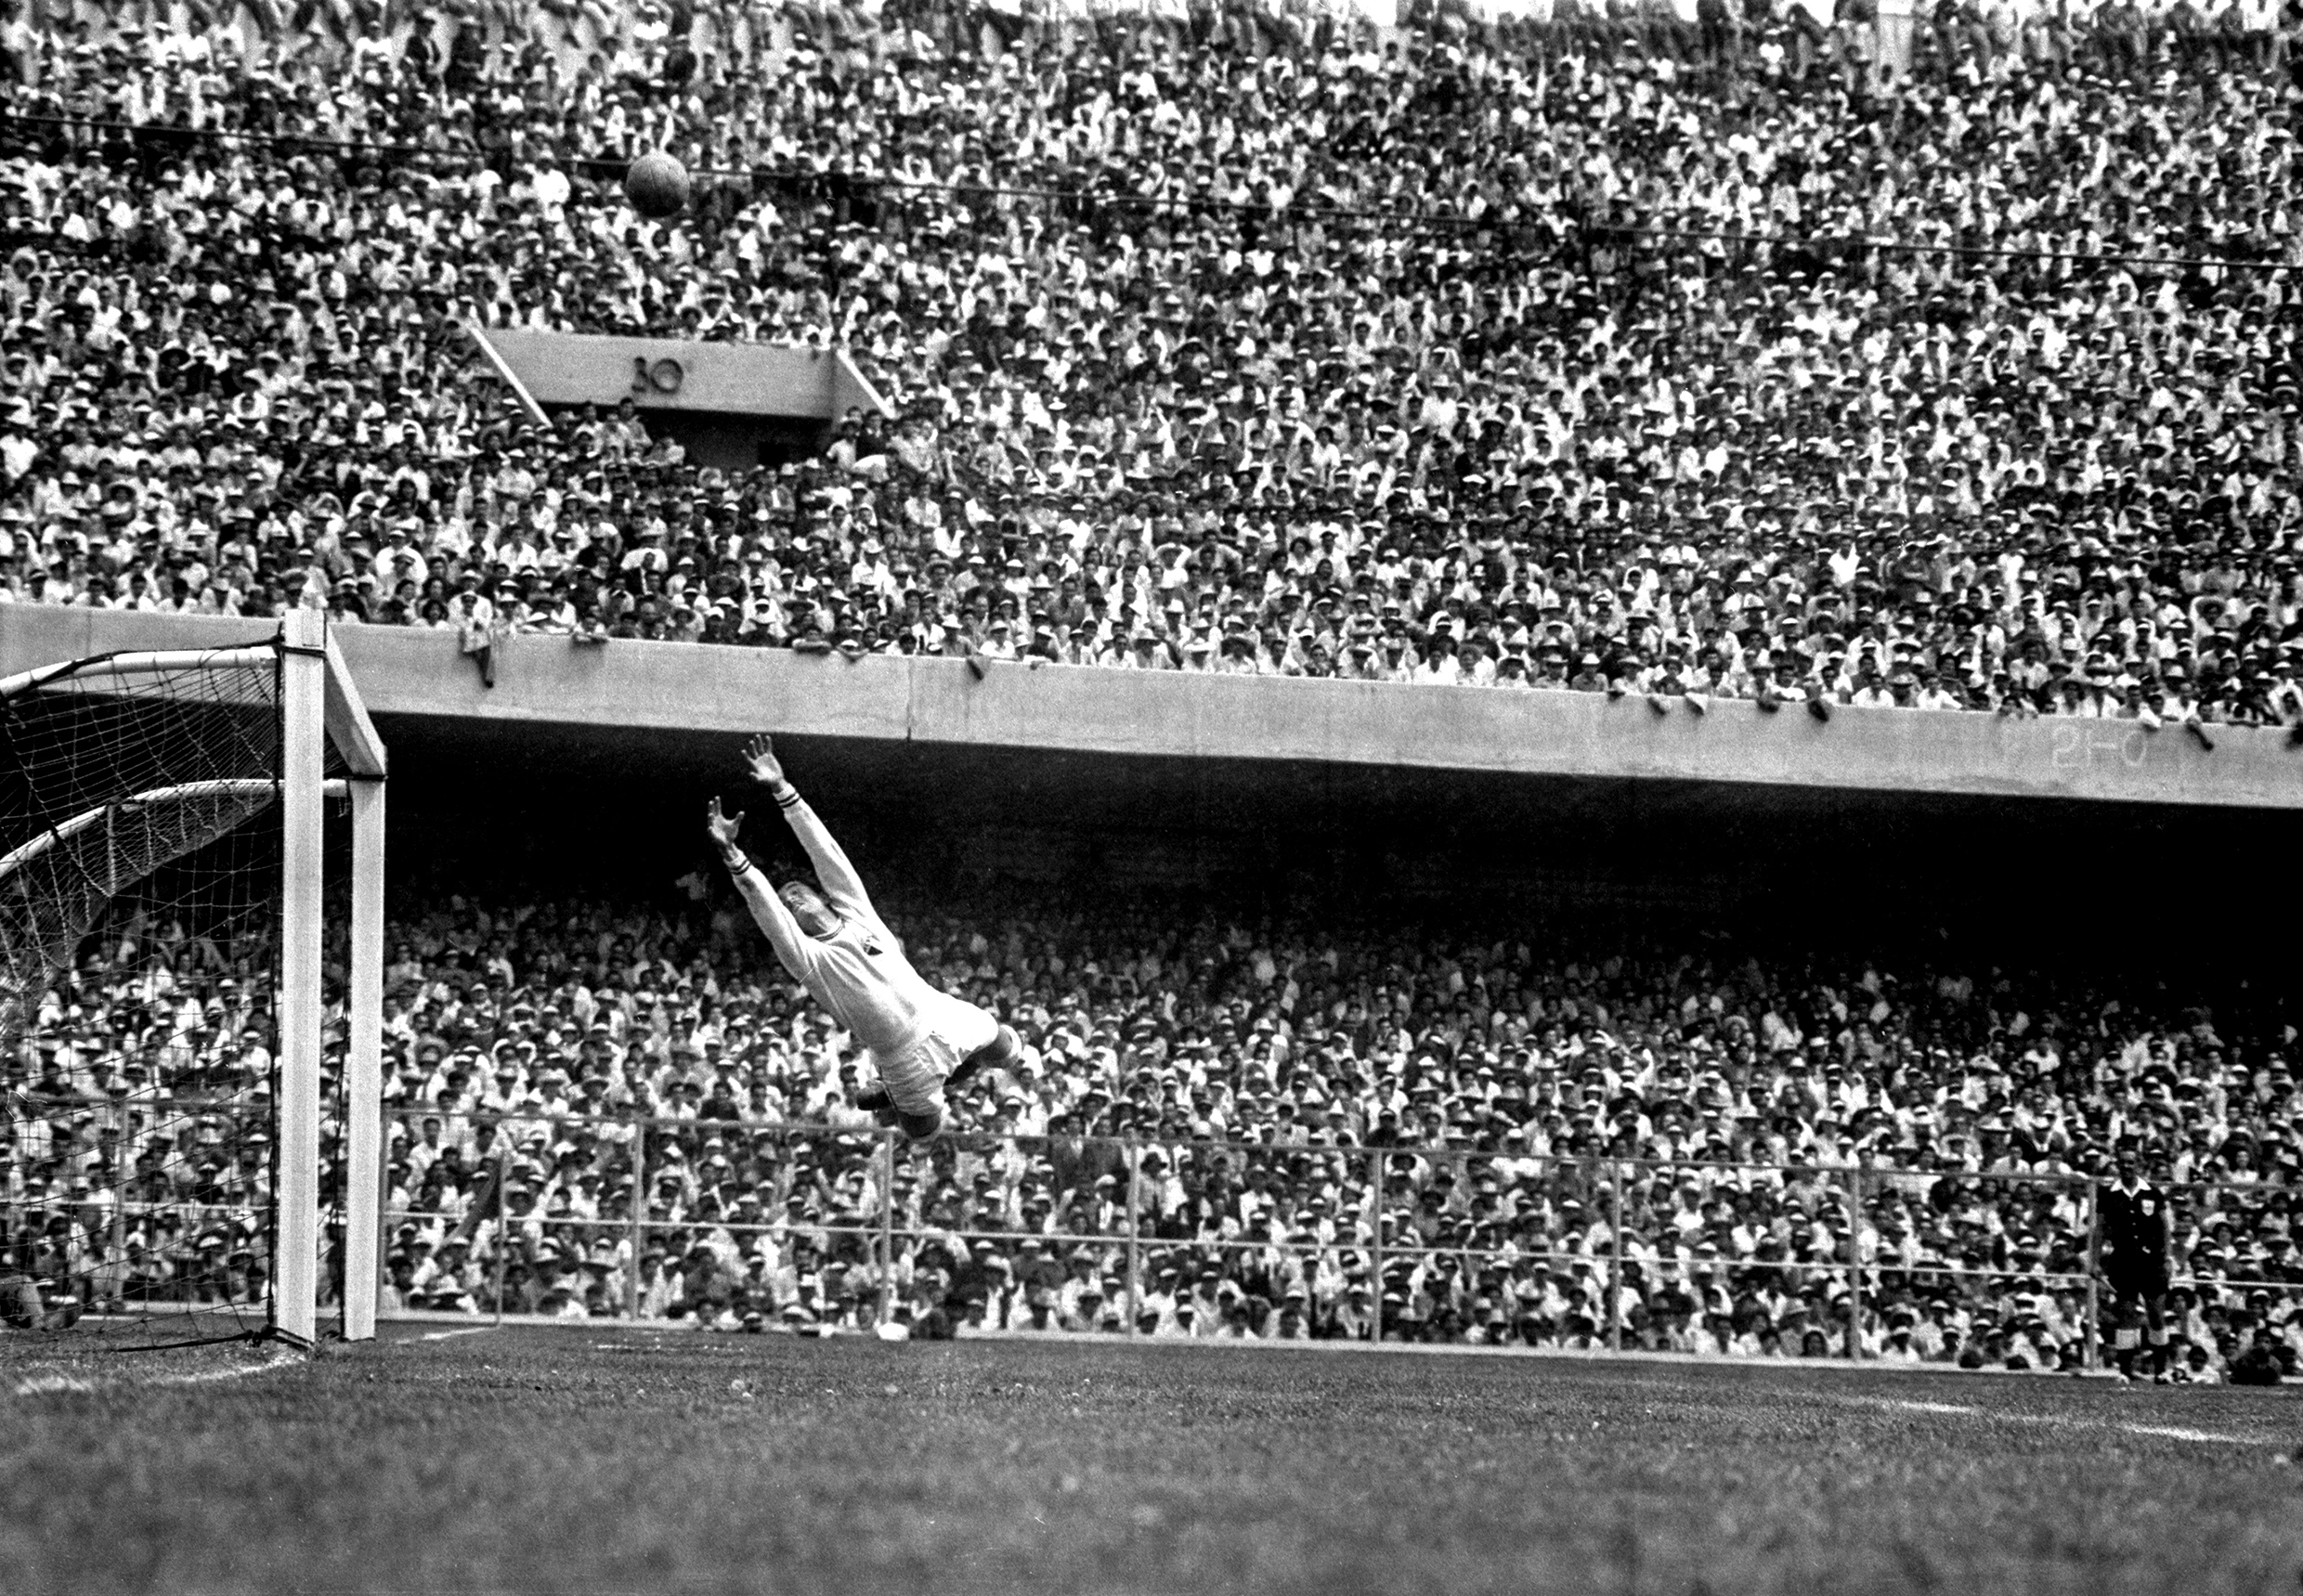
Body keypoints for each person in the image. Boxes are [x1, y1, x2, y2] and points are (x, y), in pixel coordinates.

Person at [704, 734, 1020, 1138]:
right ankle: (900, 1092)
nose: (793, 900)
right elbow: (762, 903)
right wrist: (733, 855)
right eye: (788, 904)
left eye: (798, 891)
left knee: (1009, 1051)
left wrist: (784, 791)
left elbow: (827, 853)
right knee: (922, 1133)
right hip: (903, 1058)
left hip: (943, 1014)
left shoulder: (858, 914)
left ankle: (940, 1078)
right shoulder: (810, 960)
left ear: (821, 896)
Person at [2097, 1141, 2175, 1384]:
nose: (2126, 1166)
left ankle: (2161, 1370)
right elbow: (2099, 1230)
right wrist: (2095, 1261)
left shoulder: (2152, 1192)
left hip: (2152, 1262)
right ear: (2117, 1165)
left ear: (2139, 1164)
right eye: (2122, 1162)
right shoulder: (2109, 1194)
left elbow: (2164, 1226)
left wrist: (2168, 1257)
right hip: (2123, 1262)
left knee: (2156, 1314)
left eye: (2131, 1162)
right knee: (2127, 1314)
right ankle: (2125, 1370)